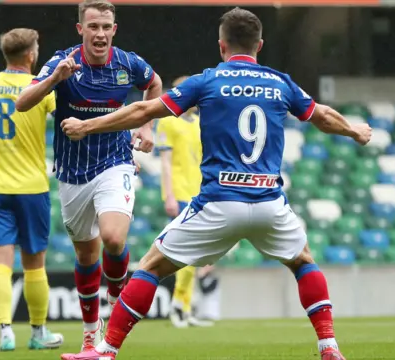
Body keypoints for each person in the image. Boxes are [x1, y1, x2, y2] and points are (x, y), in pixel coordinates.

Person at [59, 7, 372, 360]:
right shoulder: (280, 82)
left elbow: (143, 111)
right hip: (269, 202)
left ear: (221, 45)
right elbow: (322, 115)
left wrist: (87, 126)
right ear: (260, 45)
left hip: (220, 202)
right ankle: (329, 345)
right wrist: (354, 130)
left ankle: (106, 350)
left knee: (149, 267)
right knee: (303, 261)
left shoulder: (207, 80)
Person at [16, 0, 162, 351]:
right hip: (72, 173)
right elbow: (22, 103)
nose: (100, 34)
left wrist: (146, 126)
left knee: (113, 238)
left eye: (106, 26)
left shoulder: (128, 64)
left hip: (115, 163)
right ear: (80, 29)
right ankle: (89, 333)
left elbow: (155, 84)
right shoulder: (64, 61)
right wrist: (54, 79)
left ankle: (115, 295)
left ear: (114, 29)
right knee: (85, 257)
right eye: (93, 26)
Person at [0, 28, 64, 352]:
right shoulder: (41, 87)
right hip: (32, 187)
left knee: (0, 263)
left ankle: (5, 332)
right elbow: (64, 125)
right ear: (31, 55)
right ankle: (38, 332)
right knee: (34, 264)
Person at [155, 76, 214, 329]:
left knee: (196, 253)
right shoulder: (167, 122)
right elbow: (166, 163)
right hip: (179, 192)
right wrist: (168, 194)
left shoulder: (200, 123)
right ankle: (179, 307)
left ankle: (185, 308)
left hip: (199, 192)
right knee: (185, 253)